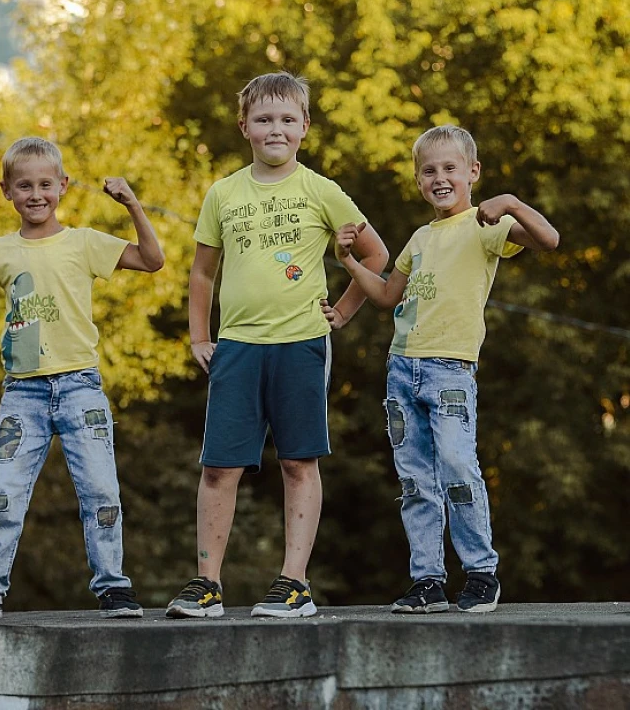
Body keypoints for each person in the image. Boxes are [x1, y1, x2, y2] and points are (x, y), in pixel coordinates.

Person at [165, 70, 388, 619]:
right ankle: (206, 585)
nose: (275, 129)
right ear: (244, 126)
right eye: (264, 119)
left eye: (288, 119)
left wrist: (342, 311)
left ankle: (294, 584)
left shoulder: (321, 190)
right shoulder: (223, 193)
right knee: (219, 467)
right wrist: (199, 334)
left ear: (305, 127)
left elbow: (379, 258)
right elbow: (201, 274)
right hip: (237, 346)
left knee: (297, 462)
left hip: (302, 344)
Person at [0, 136, 164, 620]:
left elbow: (152, 260)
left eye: (46, 185)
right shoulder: (1, 251)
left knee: (101, 493)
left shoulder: (84, 243)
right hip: (22, 395)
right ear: (6, 190)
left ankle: (113, 587)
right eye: (24, 185)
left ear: (63, 187)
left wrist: (132, 204)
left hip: (80, 388)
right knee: (2, 495)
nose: (36, 194)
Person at [331, 124, 559, 614]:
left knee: (457, 467)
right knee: (414, 478)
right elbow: (388, 296)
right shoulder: (418, 237)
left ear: (472, 172)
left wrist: (512, 203)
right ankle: (427, 580)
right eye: (429, 171)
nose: (440, 178)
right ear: (417, 180)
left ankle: (481, 573)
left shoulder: (486, 224)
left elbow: (550, 240)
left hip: (450, 370)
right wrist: (349, 261)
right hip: (402, 370)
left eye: (450, 168)